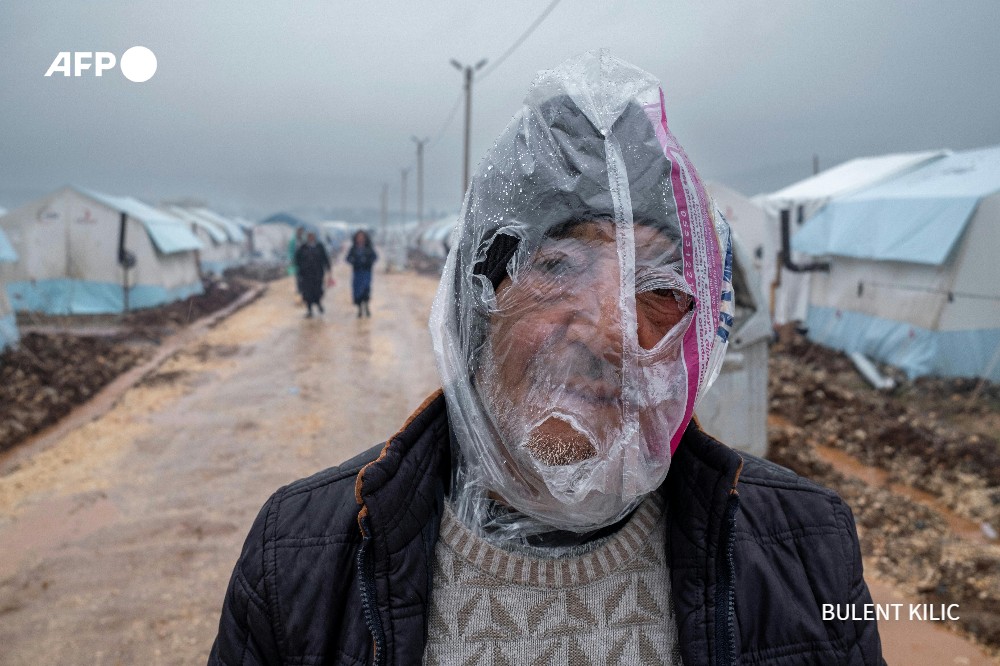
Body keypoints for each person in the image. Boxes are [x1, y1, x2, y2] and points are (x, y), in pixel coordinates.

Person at [210, 51, 883, 665]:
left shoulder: (805, 549)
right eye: (560, 264)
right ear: (477, 303)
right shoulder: (302, 562)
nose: (612, 330)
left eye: (658, 287)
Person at [293, 231, 330, 318]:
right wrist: (300, 269)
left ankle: (318, 303)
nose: (311, 238)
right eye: (309, 236)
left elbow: (325, 258)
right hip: (306, 275)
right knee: (307, 293)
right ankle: (309, 310)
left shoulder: (319, 247)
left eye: (312, 236)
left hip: (317, 274)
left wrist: (328, 268)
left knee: (318, 290)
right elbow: (297, 259)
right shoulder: (302, 247)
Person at [345, 229, 378, 318]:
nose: (360, 239)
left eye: (362, 237)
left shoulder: (368, 248)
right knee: (358, 291)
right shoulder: (353, 248)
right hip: (357, 272)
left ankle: (366, 307)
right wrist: (353, 261)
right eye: (359, 237)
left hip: (366, 272)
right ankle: (359, 309)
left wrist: (369, 262)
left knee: (366, 289)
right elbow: (347, 258)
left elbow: (375, 257)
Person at [287, 226, 305, 301]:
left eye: (301, 231)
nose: (300, 232)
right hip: (297, 260)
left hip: (305, 260)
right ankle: (299, 289)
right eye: (299, 231)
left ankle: (304, 288)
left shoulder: (304, 239)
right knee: (298, 275)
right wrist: (291, 259)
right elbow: (290, 250)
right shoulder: (293, 240)